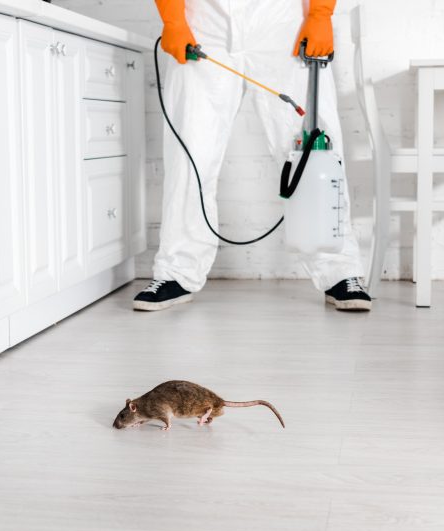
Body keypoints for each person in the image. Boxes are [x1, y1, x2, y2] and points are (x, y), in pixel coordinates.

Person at [133, 0, 372, 312]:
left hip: (282, 20)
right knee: (189, 151)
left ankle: (340, 271)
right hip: (203, 19)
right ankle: (177, 272)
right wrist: (173, 18)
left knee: (314, 147)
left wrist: (320, 13)